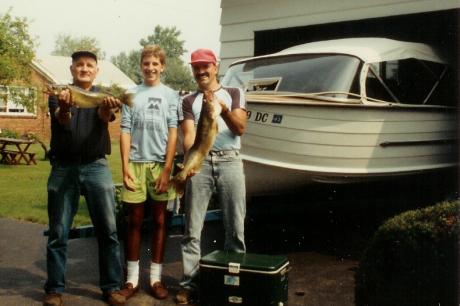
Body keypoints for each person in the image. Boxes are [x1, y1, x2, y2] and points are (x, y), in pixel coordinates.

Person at [44, 50, 125, 306]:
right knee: (58, 232)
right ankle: (55, 289)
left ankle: (111, 287)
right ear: (71, 69)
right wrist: (66, 107)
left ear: (96, 70)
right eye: (79, 65)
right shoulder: (61, 95)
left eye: (89, 65)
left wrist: (107, 110)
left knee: (109, 231)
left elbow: (104, 119)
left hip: (96, 166)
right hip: (63, 168)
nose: (84, 69)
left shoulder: (102, 95)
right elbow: (62, 120)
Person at [175, 48, 247, 304]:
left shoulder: (235, 93)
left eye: (206, 66)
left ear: (216, 66)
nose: (201, 71)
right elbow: (190, 139)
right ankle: (188, 284)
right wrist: (188, 165)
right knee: (192, 230)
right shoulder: (187, 101)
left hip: (231, 161)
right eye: (196, 67)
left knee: (235, 229)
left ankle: (233, 282)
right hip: (200, 163)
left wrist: (223, 110)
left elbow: (239, 128)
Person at [118, 45, 179, 301]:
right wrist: (124, 167)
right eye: (146, 63)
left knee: (161, 222)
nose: (150, 68)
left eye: (155, 63)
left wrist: (167, 169)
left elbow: (173, 131)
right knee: (134, 221)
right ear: (140, 65)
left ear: (162, 66)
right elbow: (124, 129)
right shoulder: (130, 93)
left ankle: (155, 278)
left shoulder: (171, 95)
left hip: (160, 166)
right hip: (135, 163)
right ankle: (131, 280)